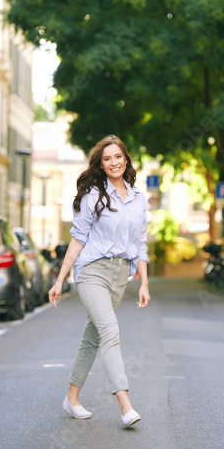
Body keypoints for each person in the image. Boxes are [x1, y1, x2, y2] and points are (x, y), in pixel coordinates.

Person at [48, 134, 150, 428]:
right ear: (101, 165)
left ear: (126, 159)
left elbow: (140, 243)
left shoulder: (138, 199)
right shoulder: (93, 195)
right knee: (110, 333)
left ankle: (72, 398)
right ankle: (125, 405)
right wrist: (60, 280)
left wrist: (144, 283)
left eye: (118, 157)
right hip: (92, 272)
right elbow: (78, 240)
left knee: (93, 338)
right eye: (107, 159)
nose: (114, 162)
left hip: (120, 275)